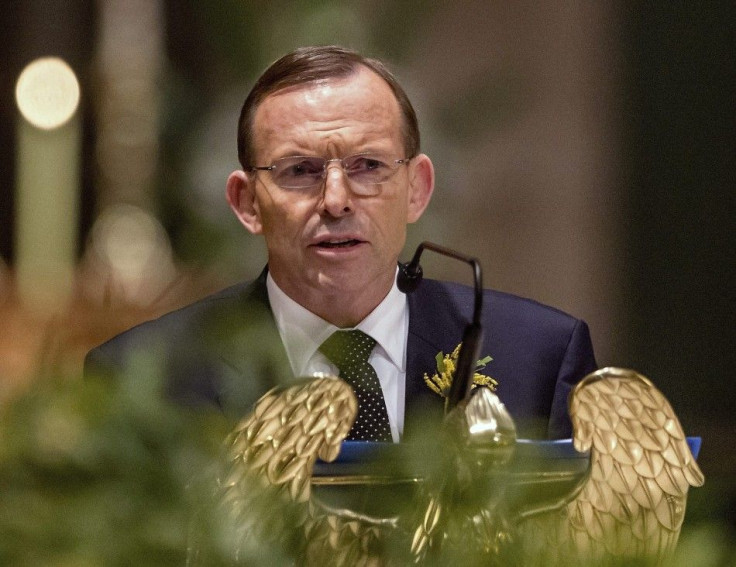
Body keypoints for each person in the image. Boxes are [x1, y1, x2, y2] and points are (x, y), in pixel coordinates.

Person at [85, 45, 597, 441]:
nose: (335, 200)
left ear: (417, 189)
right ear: (246, 202)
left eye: (368, 167)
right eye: (300, 171)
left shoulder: (537, 358)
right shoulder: (143, 378)